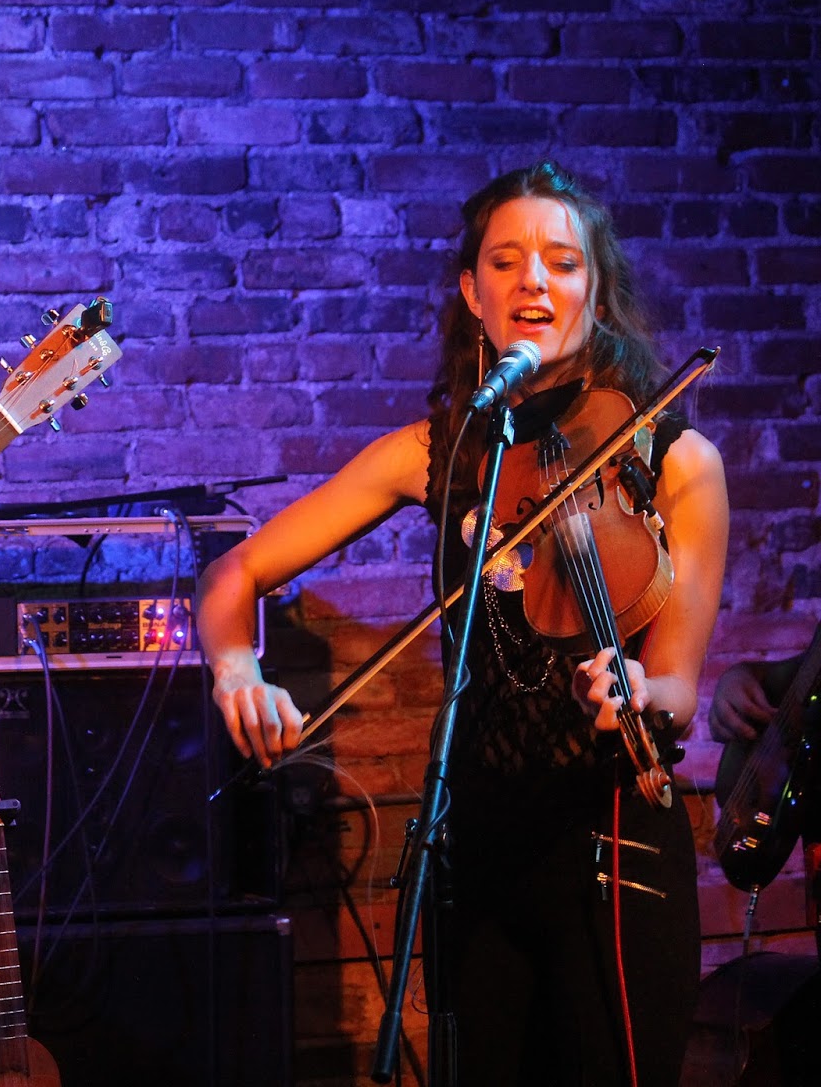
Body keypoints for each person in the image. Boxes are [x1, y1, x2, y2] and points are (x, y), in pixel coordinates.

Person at [196, 160, 728, 1085]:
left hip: (614, 854)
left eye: (563, 262)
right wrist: (237, 665)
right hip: (472, 862)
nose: (534, 282)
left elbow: (680, 684)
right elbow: (235, 571)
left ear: (597, 293)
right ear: (472, 294)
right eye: (506, 261)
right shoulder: (438, 451)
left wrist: (644, 691)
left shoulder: (676, 461)